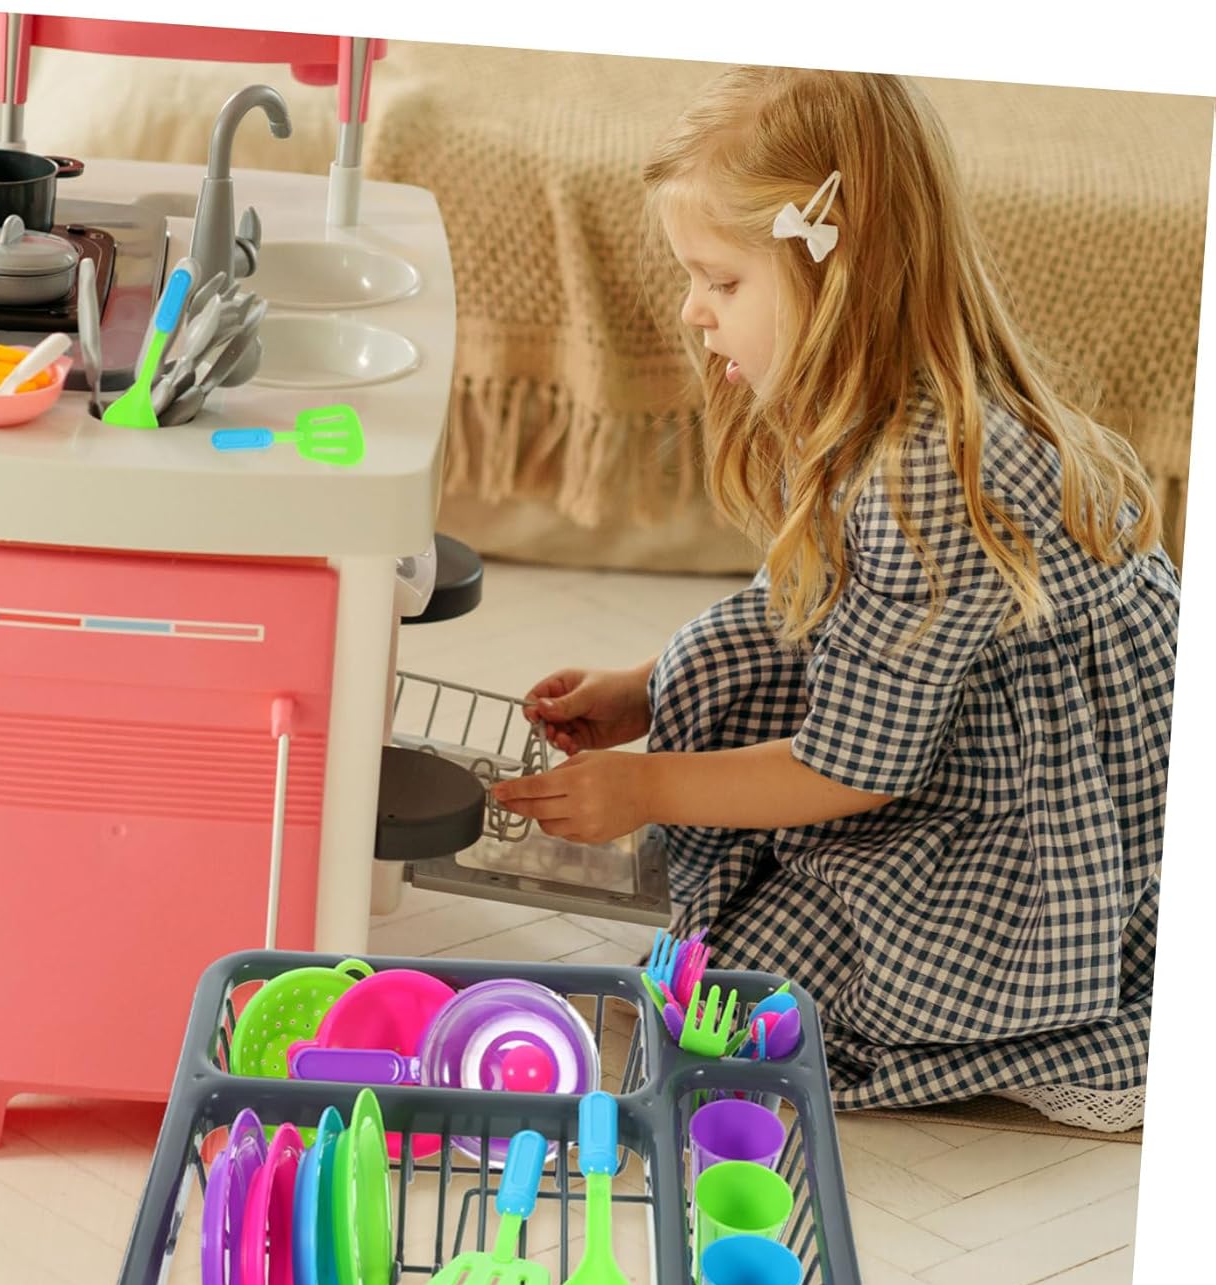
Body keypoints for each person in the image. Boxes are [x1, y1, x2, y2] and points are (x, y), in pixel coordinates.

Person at [491, 67, 1177, 1131]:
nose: (692, 311)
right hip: (942, 725)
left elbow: (858, 765)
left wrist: (651, 787)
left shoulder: (929, 474)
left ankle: (1025, 1001)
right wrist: (643, 689)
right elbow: (816, 598)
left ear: (838, 275)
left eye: (721, 282)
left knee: (746, 1003)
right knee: (716, 670)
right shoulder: (877, 410)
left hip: (1037, 817)